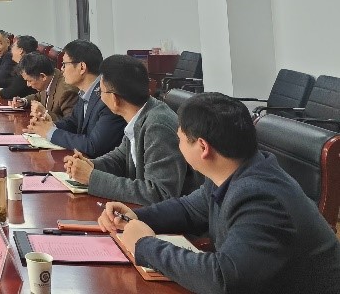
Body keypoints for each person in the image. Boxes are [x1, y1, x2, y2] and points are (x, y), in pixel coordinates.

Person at [98, 93, 340, 294]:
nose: (178, 144)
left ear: (203, 147)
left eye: (180, 139)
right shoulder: (233, 170)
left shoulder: (261, 198)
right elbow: (189, 209)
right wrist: (137, 217)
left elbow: (224, 279)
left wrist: (145, 245)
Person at [64, 55, 198, 205]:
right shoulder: (140, 114)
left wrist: (92, 177)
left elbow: (159, 193)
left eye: (100, 92)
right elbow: (121, 158)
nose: (99, 97)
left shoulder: (157, 126)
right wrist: (91, 165)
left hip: (171, 217)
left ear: (115, 99)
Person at [26, 39, 124, 157]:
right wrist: (48, 125)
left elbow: (93, 146)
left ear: (82, 67)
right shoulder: (85, 91)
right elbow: (73, 123)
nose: (61, 69)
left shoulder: (107, 96)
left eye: (64, 64)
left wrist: (50, 132)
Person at [14, 52, 78, 121]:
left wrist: (44, 113)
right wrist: (23, 101)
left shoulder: (66, 92)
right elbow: (38, 96)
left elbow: (70, 123)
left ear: (43, 76)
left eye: (30, 81)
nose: (28, 84)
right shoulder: (50, 78)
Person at [0, 36, 39, 101]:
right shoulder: (22, 64)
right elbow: (12, 82)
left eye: (13, 46)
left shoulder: (27, 67)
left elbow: (11, 93)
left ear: (20, 50)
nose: (11, 49)